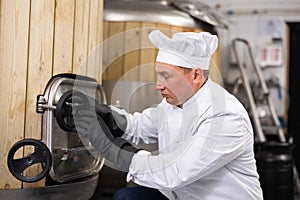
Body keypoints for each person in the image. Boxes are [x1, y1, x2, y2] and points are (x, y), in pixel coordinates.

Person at [75, 30, 263, 200]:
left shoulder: (225, 116)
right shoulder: (174, 103)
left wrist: (110, 148)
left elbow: (175, 172)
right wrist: (106, 114)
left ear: (196, 75)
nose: (158, 85)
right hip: (180, 196)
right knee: (127, 197)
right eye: (158, 75)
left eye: (166, 76)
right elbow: (140, 126)